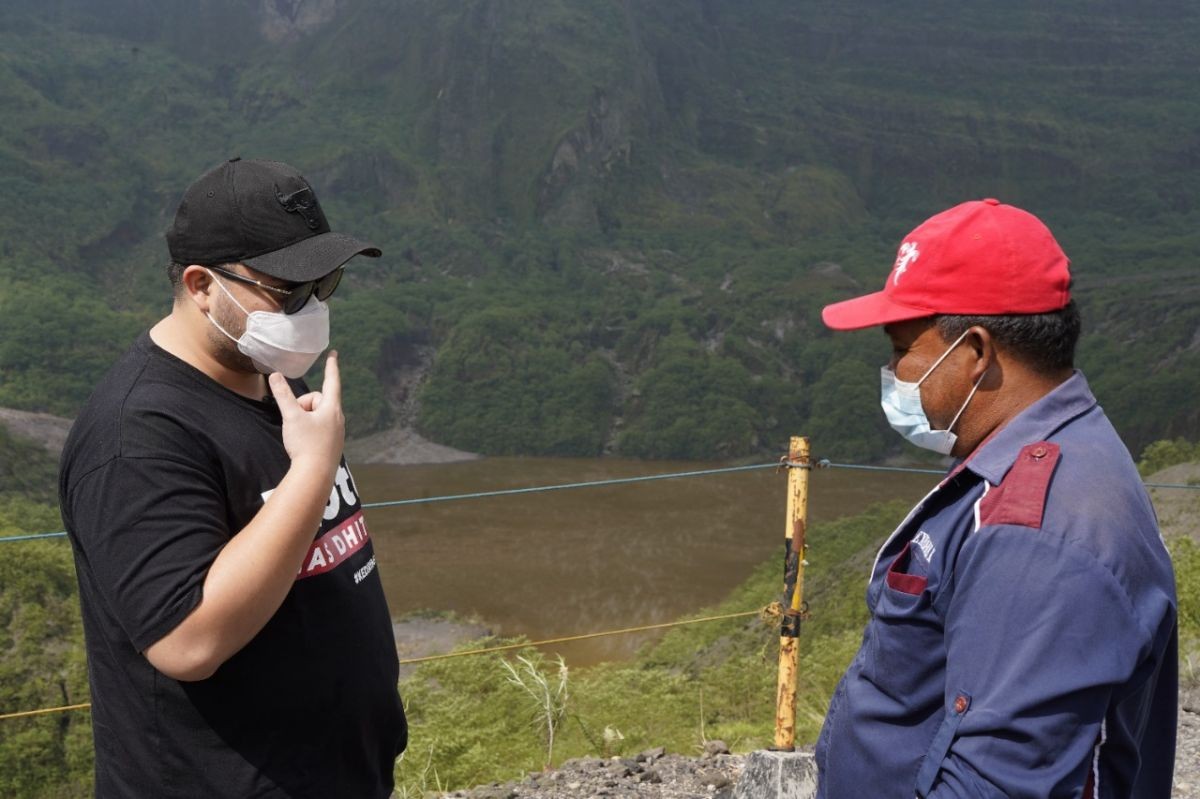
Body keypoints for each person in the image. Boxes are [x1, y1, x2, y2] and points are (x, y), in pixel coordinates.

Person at [59, 158, 407, 798]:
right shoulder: (135, 436)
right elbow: (187, 641)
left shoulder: (268, 375)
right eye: (287, 290)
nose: (309, 308)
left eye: (322, 285)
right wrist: (313, 469)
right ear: (201, 285)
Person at [814, 199, 1177, 797]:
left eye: (902, 349)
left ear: (976, 353)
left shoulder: (1036, 535)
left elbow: (995, 783)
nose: (893, 371)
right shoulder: (1029, 458)